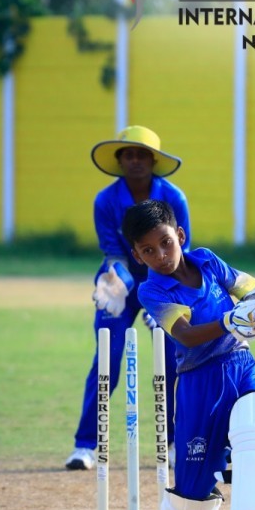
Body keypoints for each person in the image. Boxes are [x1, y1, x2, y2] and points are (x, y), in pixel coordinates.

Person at [122, 199, 255, 510]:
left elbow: (252, 288)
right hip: (199, 381)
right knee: (194, 484)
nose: (161, 255)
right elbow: (187, 336)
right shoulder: (152, 292)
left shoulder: (208, 261)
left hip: (241, 363)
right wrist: (231, 320)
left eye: (165, 242)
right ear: (138, 256)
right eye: (148, 250)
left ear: (180, 235)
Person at [66, 125, 190, 471]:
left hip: (164, 282)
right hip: (118, 284)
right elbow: (113, 251)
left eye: (142, 155)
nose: (135, 161)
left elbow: (179, 252)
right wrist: (117, 280)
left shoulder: (174, 198)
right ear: (120, 161)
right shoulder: (105, 200)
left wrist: (161, 298)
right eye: (128, 155)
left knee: (172, 362)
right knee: (107, 360)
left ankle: (174, 443)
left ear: (153, 161)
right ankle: (85, 446)